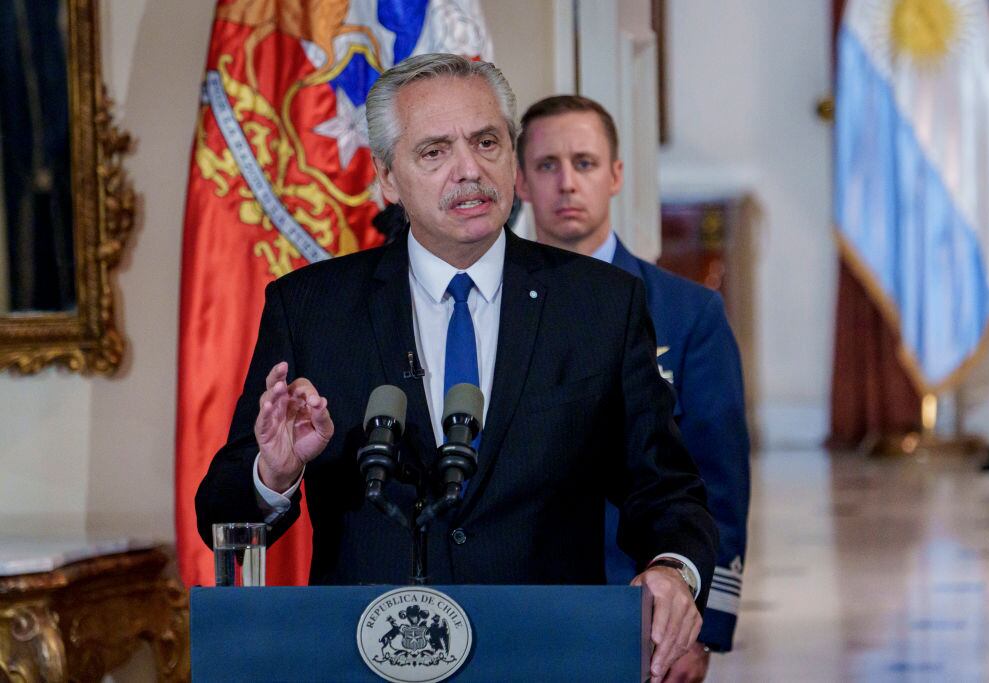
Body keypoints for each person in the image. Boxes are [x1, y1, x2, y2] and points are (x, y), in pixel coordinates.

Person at [195, 53, 717, 682]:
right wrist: (272, 471)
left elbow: (665, 489)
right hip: (367, 659)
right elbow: (219, 513)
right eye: (435, 152)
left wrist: (671, 568)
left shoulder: (600, 305)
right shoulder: (311, 308)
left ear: (512, 156)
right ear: (388, 178)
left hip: (546, 655)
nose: (469, 171)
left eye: (486, 142)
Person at [516, 95, 751, 682]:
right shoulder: (491, 308)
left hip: (641, 609)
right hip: (518, 606)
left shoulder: (688, 312)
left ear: (617, 175)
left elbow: (717, 480)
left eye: (586, 162)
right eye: (547, 165)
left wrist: (702, 623)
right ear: (519, 181)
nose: (567, 183)